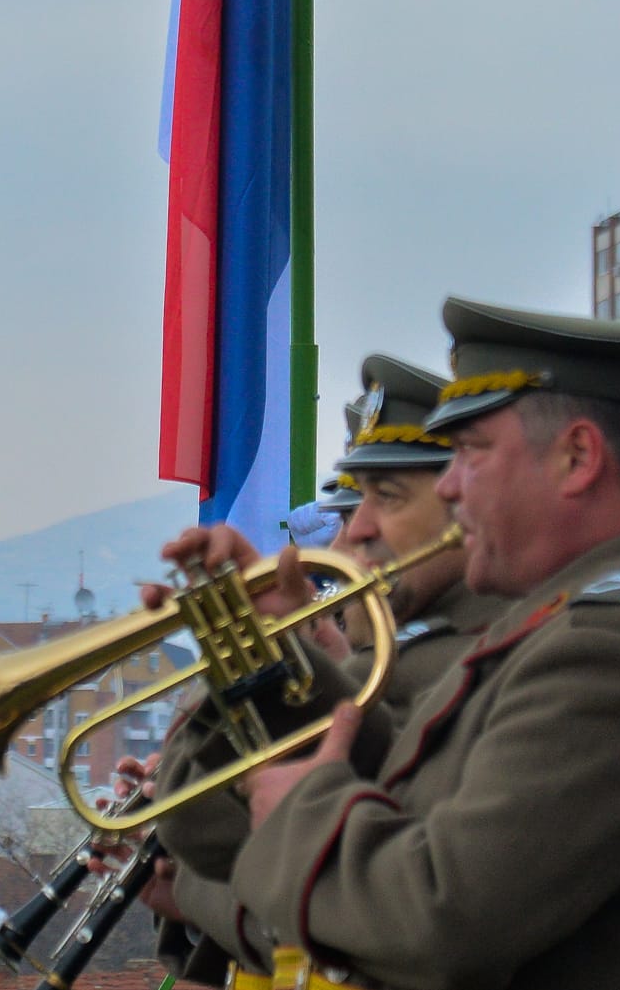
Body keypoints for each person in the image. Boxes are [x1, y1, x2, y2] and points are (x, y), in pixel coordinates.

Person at [160, 298, 620, 990]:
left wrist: (299, 817)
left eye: (472, 453)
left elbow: (440, 919)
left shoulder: (613, 654)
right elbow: (406, 789)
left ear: (578, 457)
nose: (451, 486)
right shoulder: (601, 624)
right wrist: (274, 665)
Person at [145, 356, 506, 986]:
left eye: (385, 498)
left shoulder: (453, 667)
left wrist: (192, 894)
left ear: (464, 500)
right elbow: (203, 829)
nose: (349, 538)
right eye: (352, 505)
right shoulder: (397, 664)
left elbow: (207, 831)